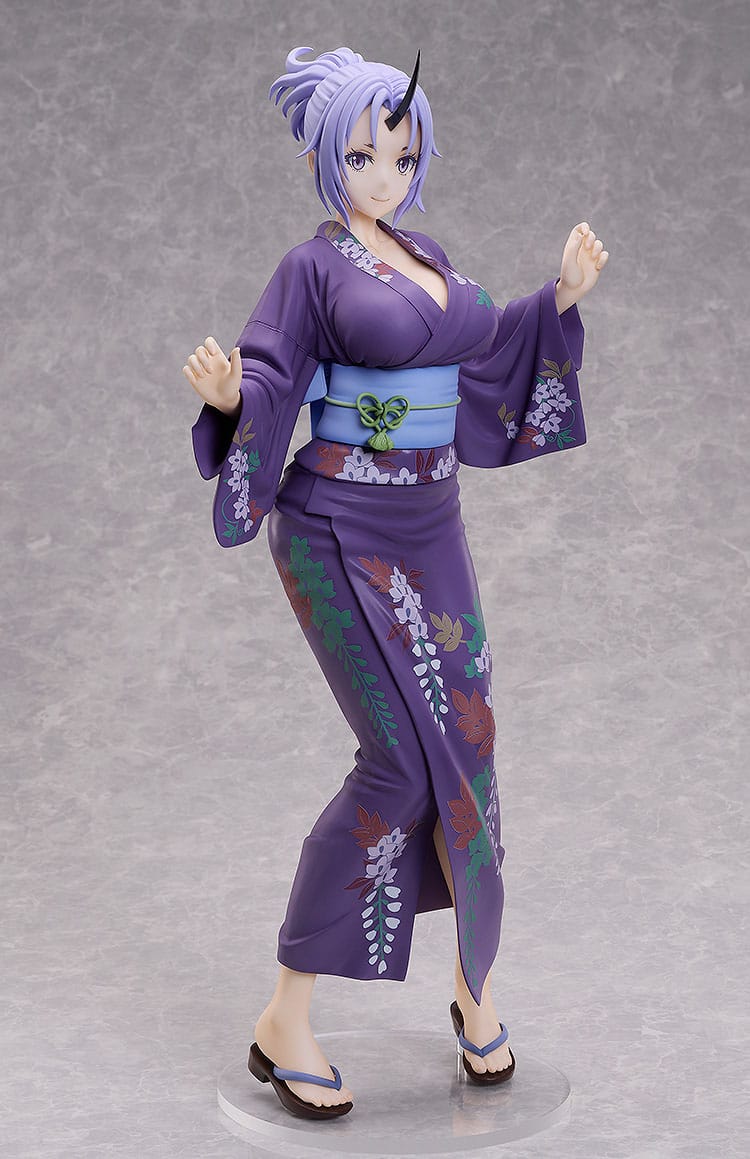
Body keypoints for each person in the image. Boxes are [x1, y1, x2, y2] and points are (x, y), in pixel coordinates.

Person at [182, 45, 608, 1121]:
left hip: (431, 522)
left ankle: (474, 990)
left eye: (404, 156)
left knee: (469, 742)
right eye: (365, 156)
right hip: (340, 526)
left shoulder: (424, 253)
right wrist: (234, 401)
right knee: (398, 764)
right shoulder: (310, 269)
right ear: (327, 158)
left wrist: (557, 300)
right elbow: (274, 372)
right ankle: (285, 1016)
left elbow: (481, 357)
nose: (387, 175)